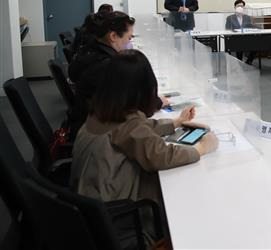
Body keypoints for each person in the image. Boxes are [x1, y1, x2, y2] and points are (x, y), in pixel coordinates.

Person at [71, 50, 218, 242]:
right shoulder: (126, 122)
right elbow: (161, 156)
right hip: (114, 213)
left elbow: (139, 129)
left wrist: (175, 123)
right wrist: (202, 148)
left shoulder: (105, 109)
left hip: (90, 201)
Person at [68, 11, 168, 138]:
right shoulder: (106, 67)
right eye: (129, 38)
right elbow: (127, 109)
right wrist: (156, 103)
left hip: (88, 128)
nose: (130, 43)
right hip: (102, 137)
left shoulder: (90, 53)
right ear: (113, 36)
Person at [224, 0, 256, 65]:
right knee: (239, 45)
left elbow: (251, 27)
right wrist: (234, 31)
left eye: (242, 6)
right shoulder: (230, 18)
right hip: (235, 39)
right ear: (235, 7)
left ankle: (248, 62)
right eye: (238, 6)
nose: (240, 8)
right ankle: (239, 63)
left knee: (257, 45)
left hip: (246, 39)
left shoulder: (247, 17)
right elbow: (227, 29)